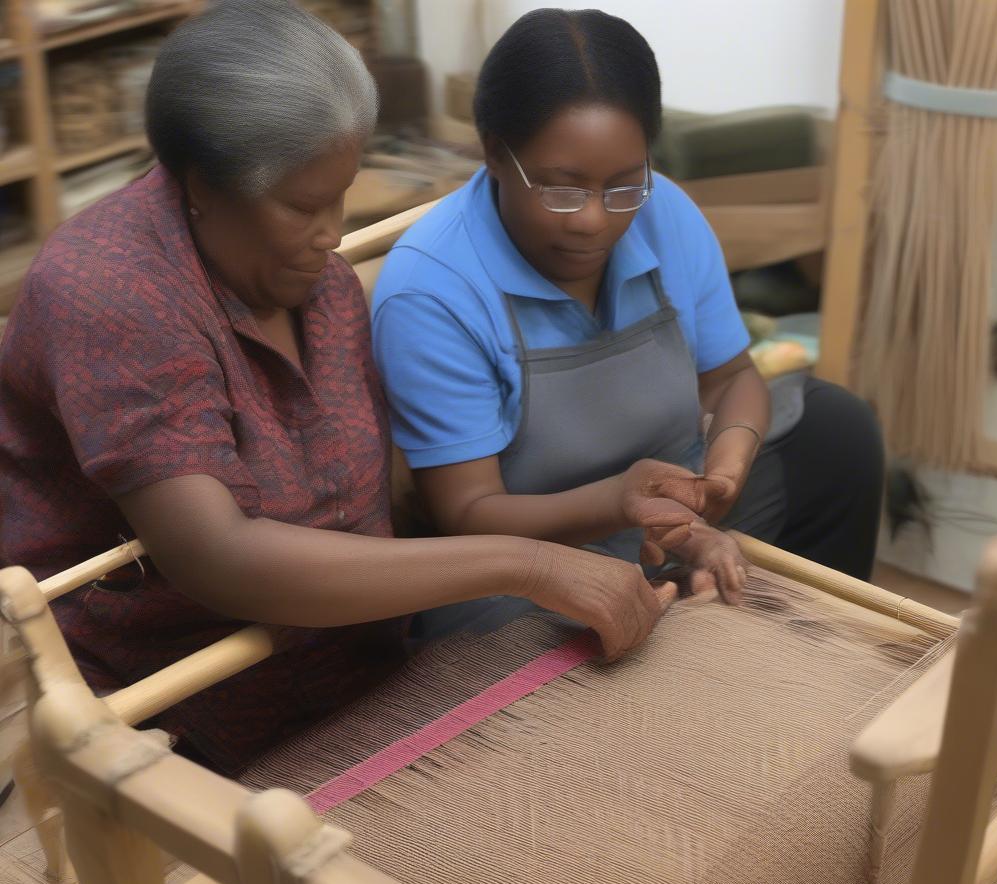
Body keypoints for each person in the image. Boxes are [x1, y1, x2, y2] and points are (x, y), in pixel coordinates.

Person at [0, 0, 687, 775]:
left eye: (341, 194)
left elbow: (367, 511)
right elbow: (217, 557)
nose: (332, 234)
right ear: (201, 184)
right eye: (301, 205)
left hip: (362, 672)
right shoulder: (114, 292)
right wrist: (528, 564)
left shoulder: (317, 287)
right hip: (175, 711)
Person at [371, 7, 885, 643]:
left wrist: (724, 471)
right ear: (495, 154)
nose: (593, 220)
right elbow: (469, 514)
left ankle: (801, 651)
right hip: (523, 561)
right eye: (562, 189)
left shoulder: (664, 209)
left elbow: (731, 380)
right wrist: (619, 504)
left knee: (835, 430)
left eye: (622, 186)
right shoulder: (430, 289)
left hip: (664, 508)